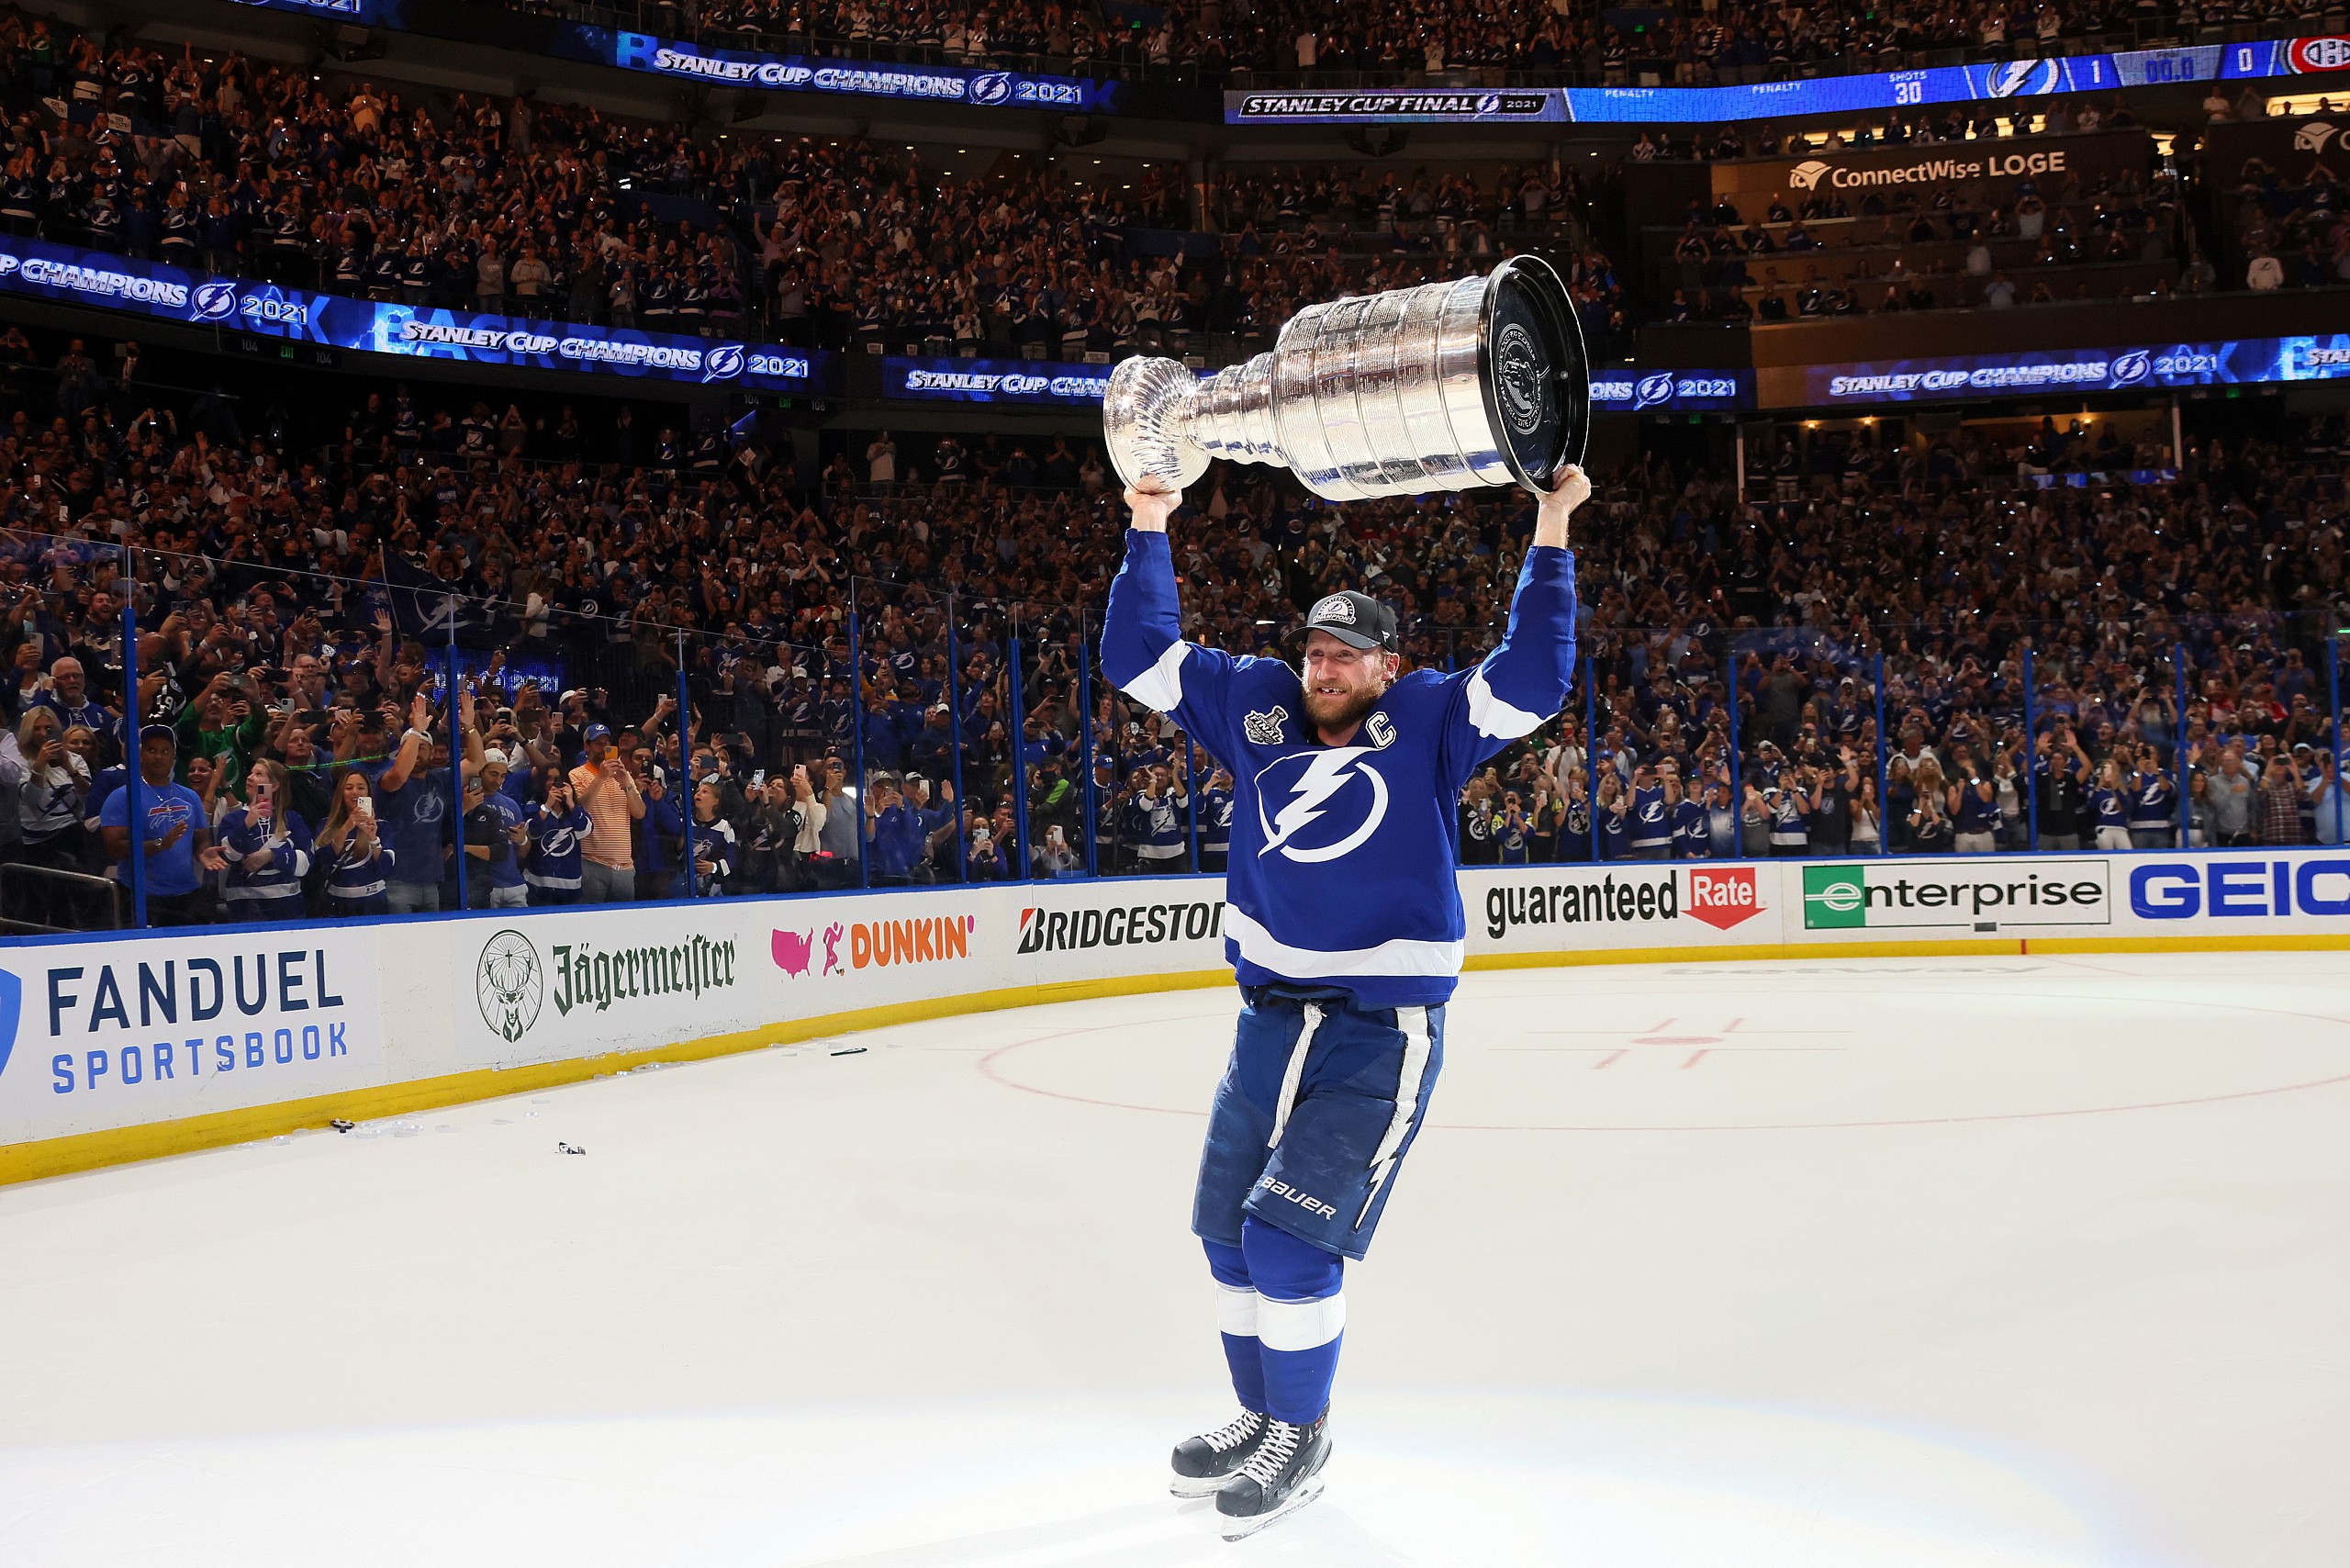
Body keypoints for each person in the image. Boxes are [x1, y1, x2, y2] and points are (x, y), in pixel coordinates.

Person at [1102, 462, 1585, 1539]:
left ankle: (1303, 1436)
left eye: (1344, 654)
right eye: (1313, 650)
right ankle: (1257, 1413)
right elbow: (1134, 655)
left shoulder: (1430, 718)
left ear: (1388, 664)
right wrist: (1148, 518)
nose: (1321, 669)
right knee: (1224, 1232)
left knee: (1287, 1244)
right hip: (1270, 1016)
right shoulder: (1254, 703)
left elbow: (1535, 676)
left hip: (1377, 1028)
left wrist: (1551, 522)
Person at [97, 725, 220, 926]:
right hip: (142, 896)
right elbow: (114, 848)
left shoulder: (190, 797)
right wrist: (159, 845)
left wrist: (203, 852)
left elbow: (201, 838)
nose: (158, 757)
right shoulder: (122, 796)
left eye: (165, 751)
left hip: (186, 893)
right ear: (140, 755)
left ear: (173, 758)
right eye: (152, 750)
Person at [217, 757, 312, 920]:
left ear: (274, 786)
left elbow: (306, 864)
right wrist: (247, 823)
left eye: (258, 774)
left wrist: (273, 855)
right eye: (251, 773)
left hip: (288, 907)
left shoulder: (292, 819)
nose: (249, 777)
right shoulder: (232, 820)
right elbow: (228, 856)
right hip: (244, 908)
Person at [568, 722, 645, 902]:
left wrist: (626, 783)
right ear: (586, 746)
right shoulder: (576, 774)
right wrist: (601, 777)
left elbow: (640, 813)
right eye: (598, 743)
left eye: (607, 743)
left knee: (625, 921)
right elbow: (582, 809)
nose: (604, 747)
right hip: (592, 862)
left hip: (624, 865)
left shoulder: (623, 774)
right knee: (592, 919)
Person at [317, 767, 393, 916]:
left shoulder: (383, 826)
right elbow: (323, 861)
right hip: (335, 903)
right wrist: (346, 828)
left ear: (368, 794)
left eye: (361, 787)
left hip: (373, 903)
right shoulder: (325, 826)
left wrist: (372, 838)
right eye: (349, 787)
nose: (355, 792)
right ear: (340, 794)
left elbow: (387, 870)